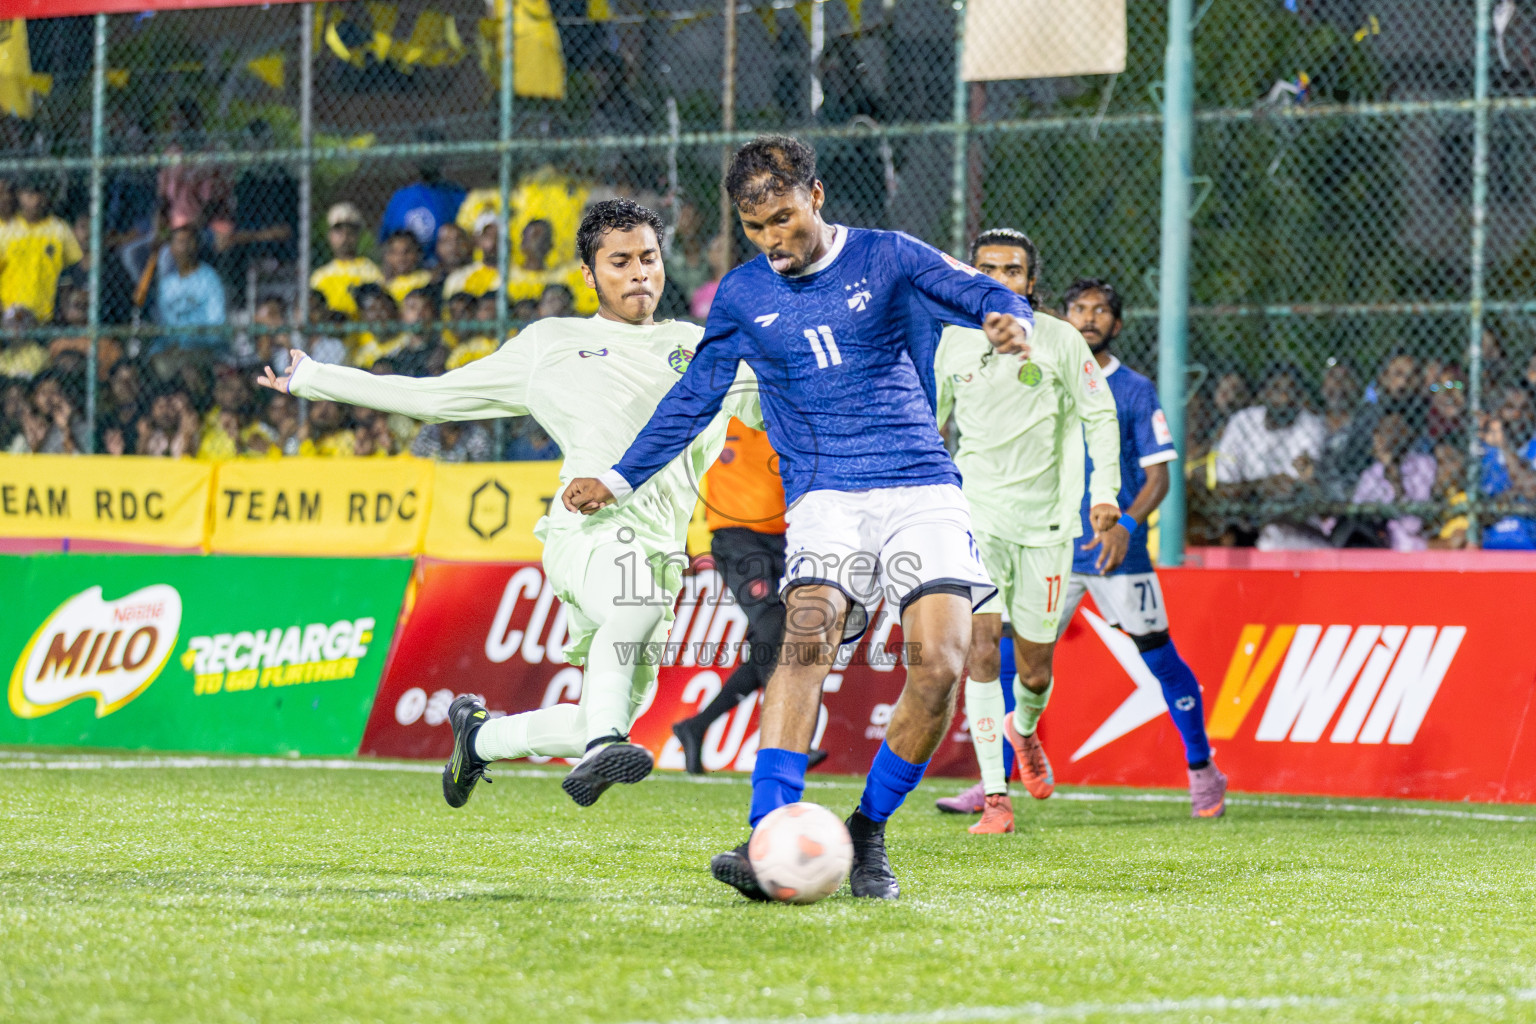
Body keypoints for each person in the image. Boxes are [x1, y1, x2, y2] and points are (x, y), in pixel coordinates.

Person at [561, 135, 1032, 901]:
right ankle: (764, 833)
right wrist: (619, 477)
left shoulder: (887, 256)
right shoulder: (744, 295)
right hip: (823, 499)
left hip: (918, 486)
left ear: (815, 195)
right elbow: (694, 397)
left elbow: (982, 291)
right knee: (803, 639)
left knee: (941, 664)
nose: (774, 240)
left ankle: (869, 829)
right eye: (756, 228)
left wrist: (1013, 319)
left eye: (784, 218)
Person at [257, 198, 759, 809]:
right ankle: (604, 744)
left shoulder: (702, 346)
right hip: (590, 530)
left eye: (648, 259)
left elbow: (784, 403)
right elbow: (435, 397)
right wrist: (316, 379)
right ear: (588, 273)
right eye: (620, 261)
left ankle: (481, 736)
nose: (639, 274)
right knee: (630, 620)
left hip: (663, 552)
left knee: (611, 706)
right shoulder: (551, 343)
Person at [929, 239, 1123, 837]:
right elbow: (931, 426)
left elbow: (1100, 414)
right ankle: (995, 798)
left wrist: (1105, 494)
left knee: (1035, 672)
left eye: (1011, 270)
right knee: (982, 651)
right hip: (977, 516)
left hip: (1047, 525)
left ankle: (1026, 730)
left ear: (1031, 281)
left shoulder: (1060, 338)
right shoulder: (951, 341)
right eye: (986, 269)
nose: (998, 279)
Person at [1058, 277, 1226, 816]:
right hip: (1054, 548)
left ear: (1117, 323)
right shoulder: (1046, 381)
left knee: (1161, 660)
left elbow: (1160, 478)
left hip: (1117, 553)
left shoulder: (1134, 389)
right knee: (1017, 661)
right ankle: (996, 782)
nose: (1089, 318)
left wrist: (1127, 525)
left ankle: (1202, 771)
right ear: (1063, 317)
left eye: (1100, 310)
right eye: (1079, 308)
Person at [669, 419, 829, 774]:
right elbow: (676, 474)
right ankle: (788, 740)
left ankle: (695, 727)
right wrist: (676, 541)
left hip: (788, 539)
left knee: (773, 642)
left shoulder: (786, 415)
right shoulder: (717, 418)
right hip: (736, 538)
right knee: (775, 628)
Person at [1213, 365, 1326, 549]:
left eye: (1291, 390)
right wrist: (1261, 486)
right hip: (1245, 520)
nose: (1284, 397)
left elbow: (1294, 488)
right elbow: (1223, 487)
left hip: (1293, 526)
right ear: (1263, 394)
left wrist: (1259, 489)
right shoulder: (1242, 422)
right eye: (1276, 389)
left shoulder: (1311, 425)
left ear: (1301, 396)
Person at [0, 176, 82, 323]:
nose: (36, 201)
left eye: (40, 194)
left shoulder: (59, 228)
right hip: (9, 318)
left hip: (46, 318)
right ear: (18, 195)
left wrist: (64, 311)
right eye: (29, 195)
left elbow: (71, 273)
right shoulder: (5, 228)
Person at [155, 224, 227, 349]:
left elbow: (217, 324)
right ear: (171, 248)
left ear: (196, 246)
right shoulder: (166, 285)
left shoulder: (209, 279)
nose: (185, 247)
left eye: (189, 241)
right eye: (180, 242)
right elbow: (164, 323)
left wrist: (191, 342)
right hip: (171, 348)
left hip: (203, 348)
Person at [379, 151, 465, 256]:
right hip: (408, 269)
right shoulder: (400, 197)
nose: (427, 158)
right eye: (422, 152)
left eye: (432, 153)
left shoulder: (455, 195)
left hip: (444, 267)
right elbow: (386, 240)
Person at [309, 203, 383, 318]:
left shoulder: (371, 271)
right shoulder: (319, 276)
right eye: (339, 231)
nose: (345, 237)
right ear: (330, 236)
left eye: (351, 231)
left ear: (358, 235)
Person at [381, 230, 433, 305]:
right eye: (395, 252)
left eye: (407, 252)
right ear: (388, 257)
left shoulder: (427, 280)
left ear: (416, 254)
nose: (401, 258)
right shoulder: (384, 287)